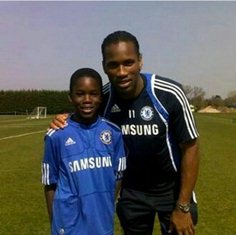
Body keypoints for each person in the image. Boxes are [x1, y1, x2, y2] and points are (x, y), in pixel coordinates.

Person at [50, 31, 200, 235]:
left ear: (140, 61)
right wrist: (62, 119)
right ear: (104, 66)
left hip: (172, 191)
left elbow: (191, 147)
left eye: (128, 62)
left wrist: (182, 206)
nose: (121, 72)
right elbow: (83, 110)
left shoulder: (168, 93)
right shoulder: (102, 97)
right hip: (131, 192)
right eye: (113, 65)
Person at [42, 68, 126, 235]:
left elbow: (118, 176)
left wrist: (106, 202)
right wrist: (55, 221)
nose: (87, 99)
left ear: (101, 97)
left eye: (93, 94)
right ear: (70, 97)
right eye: (80, 94)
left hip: (102, 223)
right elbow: (50, 183)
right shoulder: (56, 135)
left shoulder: (114, 133)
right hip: (68, 224)